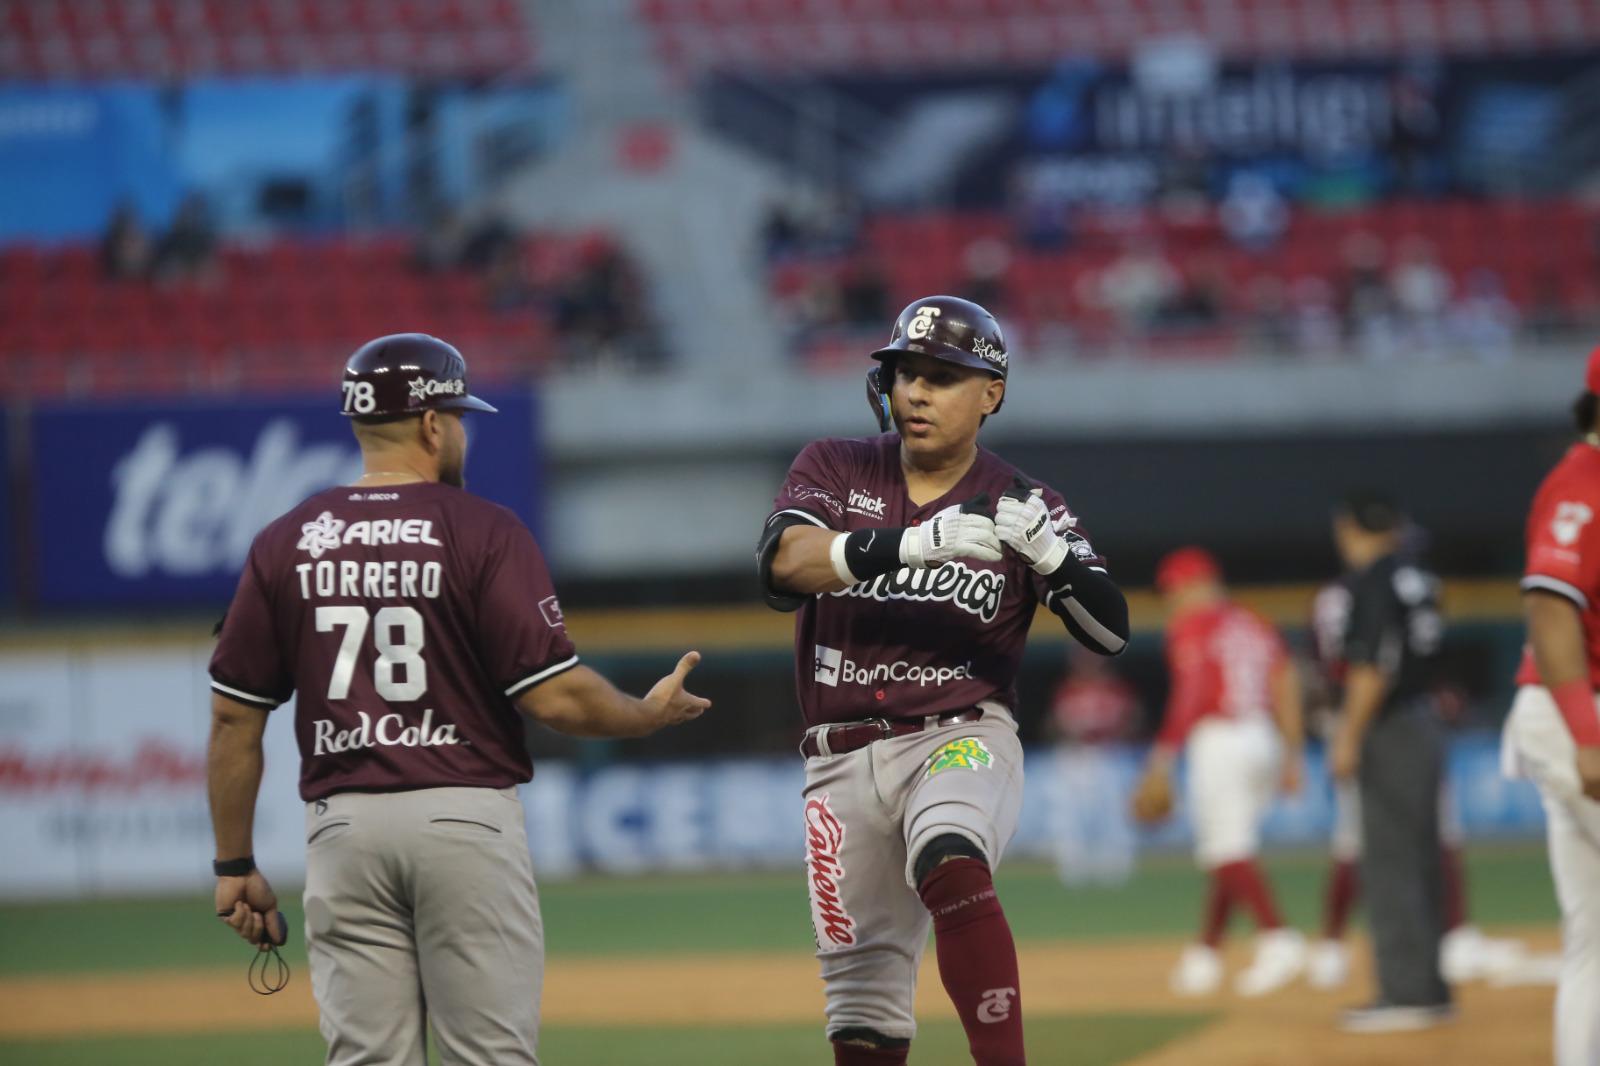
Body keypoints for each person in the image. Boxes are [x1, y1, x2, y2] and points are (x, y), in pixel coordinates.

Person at [205, 333, 711, 1065]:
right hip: (463, 817)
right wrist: (646, 713)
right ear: (432, 424)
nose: (463, 432)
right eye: (460, 416)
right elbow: (558, 699)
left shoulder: (287, 541)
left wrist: (232, 866)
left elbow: (232, 716)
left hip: (342, 828)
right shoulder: (483, 530)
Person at [757, 296, 1129, 1066]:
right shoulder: (834, 464)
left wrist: (1054, 563)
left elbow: (1110, 630)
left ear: (990, 392)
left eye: (943, 377)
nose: (917, 393)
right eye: (905, 375)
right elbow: (782, 566)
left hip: (959, 734)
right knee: (861, 1005)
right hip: (837, 757)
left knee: (949, 851)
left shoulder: (1026, 504)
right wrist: (904, 545)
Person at [1308, 580, 1523, 990]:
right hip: (1381, 716)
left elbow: (1330, 664)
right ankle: (1444, 938)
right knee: (1407, 830)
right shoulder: (1382, 587)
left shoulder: (1334, 596)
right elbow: (1376, 661)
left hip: (1353, 714)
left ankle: (1334, 946)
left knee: (1359, 836)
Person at [1131, 547, 1307, 997]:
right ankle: (1205, 953)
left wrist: (1162, 758)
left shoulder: (1193, 624)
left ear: (1197, 584)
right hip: (1262, 737)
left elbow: (1192, 691)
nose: (1171, 599)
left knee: (1225, 851)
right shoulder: (1253, 622)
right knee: (1230, 850)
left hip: (1221, 740)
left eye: (1173, 589)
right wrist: (1291, 753)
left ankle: (1278, 937)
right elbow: (1286, 682)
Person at [1501, 344, 1600, 1066]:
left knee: (1591, 938)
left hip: (1566, 711)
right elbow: (1551, 609)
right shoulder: (1583, 485)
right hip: (1578, 710)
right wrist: (1587, 734)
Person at [1325, 490, 1452, 1031]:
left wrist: (1349, 736)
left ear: (1350, 527)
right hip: (1423, 719)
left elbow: (1374, 663)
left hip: (1390, 723)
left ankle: (1406, 993)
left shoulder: (1374, 578)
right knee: (1421, 857)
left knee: (1391, 861)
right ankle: (1428, 986)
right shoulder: (1416, 574)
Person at [1045, 646, 1140, 886]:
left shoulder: (1115, 688)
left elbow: (1135, 717)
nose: (1087, 666)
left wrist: (1119, 732)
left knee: (1114, 814)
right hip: (1075, 754)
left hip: (1110, 752)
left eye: (1092, 661)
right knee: (1069, 814)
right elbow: (1052, 724)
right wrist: (1067, 732)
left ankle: (1116, 868)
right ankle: (1072, 868)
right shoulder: (1067, 689)